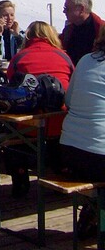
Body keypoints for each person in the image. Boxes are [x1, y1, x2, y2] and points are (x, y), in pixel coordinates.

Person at [5, 21, 74, 196]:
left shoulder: (20, 57)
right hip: (62, 122)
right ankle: (61, 170)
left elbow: (11, 83)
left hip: (30, 123)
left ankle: (19, 177)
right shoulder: (64, 56)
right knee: (55, 139)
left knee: (11, 135)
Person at [60, 27, 105, 239]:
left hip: (70, 151)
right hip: (98, 155)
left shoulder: (86, 60)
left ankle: (94, 211)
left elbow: (68, 101)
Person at [61, 0, 104, 65]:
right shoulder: (69, 29)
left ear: (81, 9)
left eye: (67, 8)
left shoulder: (101, 29)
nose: (64, 11)